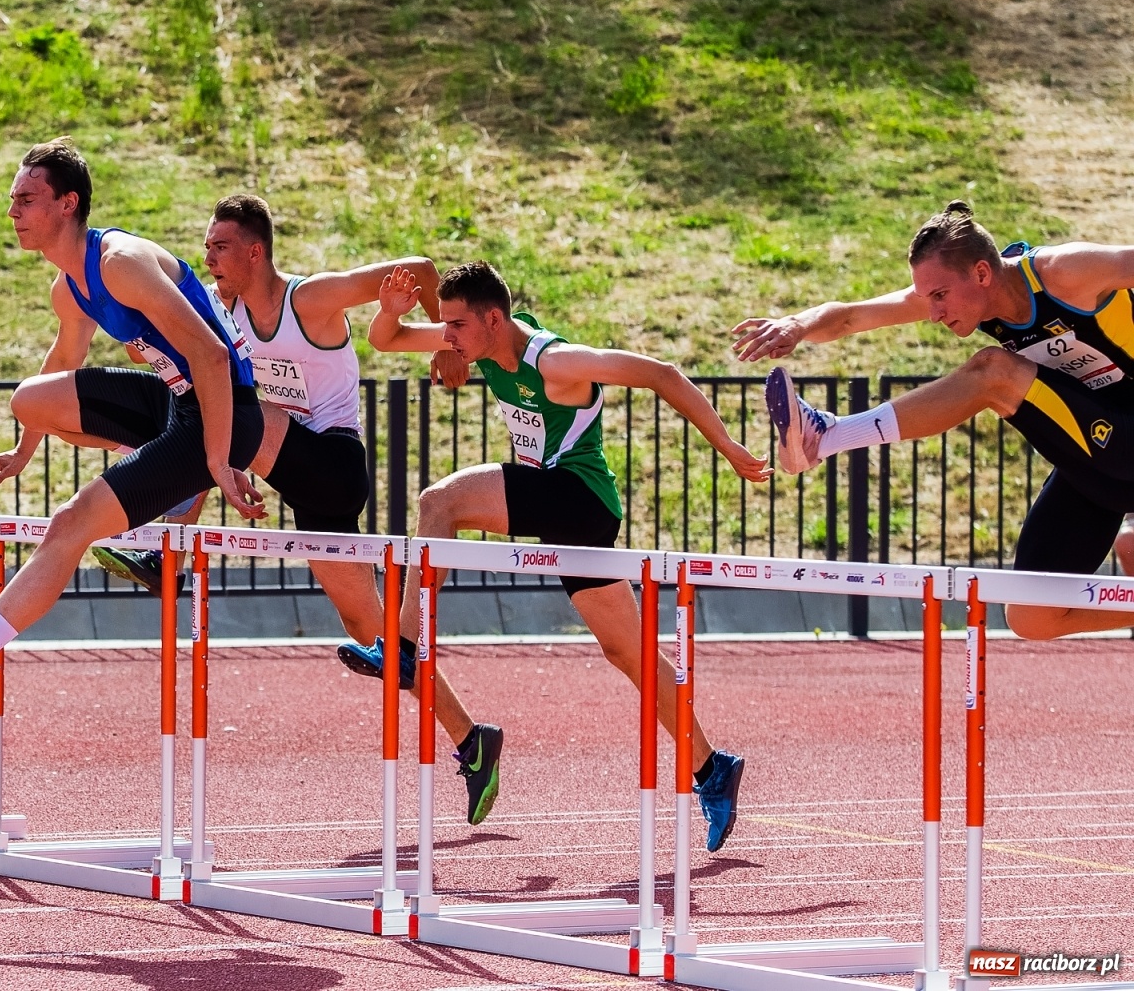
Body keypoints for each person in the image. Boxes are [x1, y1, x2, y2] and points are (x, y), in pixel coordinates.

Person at [94, 194, 504, 824]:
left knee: (228, 410)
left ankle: (166, 551)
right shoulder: (224, 310)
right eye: (206, 248)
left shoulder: (309, 300)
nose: (209, 259)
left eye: (220, 247)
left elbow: (423, 269)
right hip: (293, 472)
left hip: (334, 466)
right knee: (374, 633)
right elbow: (152, 347)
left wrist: (446, 344)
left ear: (255, 252)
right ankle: (473, 739)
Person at [369, 261, 770, 851]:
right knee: (628, 653)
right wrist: (389, 312)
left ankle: (405, 648)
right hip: (566, 515)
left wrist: (728, 446)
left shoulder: (555, 362)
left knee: (439, 502)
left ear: (493, 319)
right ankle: (712, 767)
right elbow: (387, 340)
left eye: (455, 325)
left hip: (578, 497)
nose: (446, 335)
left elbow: (660, 373)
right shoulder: (483, 340)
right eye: (445, 326)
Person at [0, 138, 267, 713]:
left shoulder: (120, 264)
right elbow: (65, 359)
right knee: (30, 400)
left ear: (68, 203)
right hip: (175, 401)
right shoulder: (69, 286)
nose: (12, 211)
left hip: (224, 411)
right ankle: (168, 466)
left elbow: (211, 357)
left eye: (26, 200)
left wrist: (216, 462)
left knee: (68, 525)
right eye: (12, 199)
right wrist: (23, 451)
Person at [734, 200, 1134, 640]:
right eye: (926, 298)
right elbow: (851, 316)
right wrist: (795, 325)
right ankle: (822, 439)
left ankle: (827, 436)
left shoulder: (1065, 272)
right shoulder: (962, 296)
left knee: (994, 372)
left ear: (981, 273)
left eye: (940, 295)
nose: (934, 313)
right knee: (1032, 615)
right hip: (1105, 459)